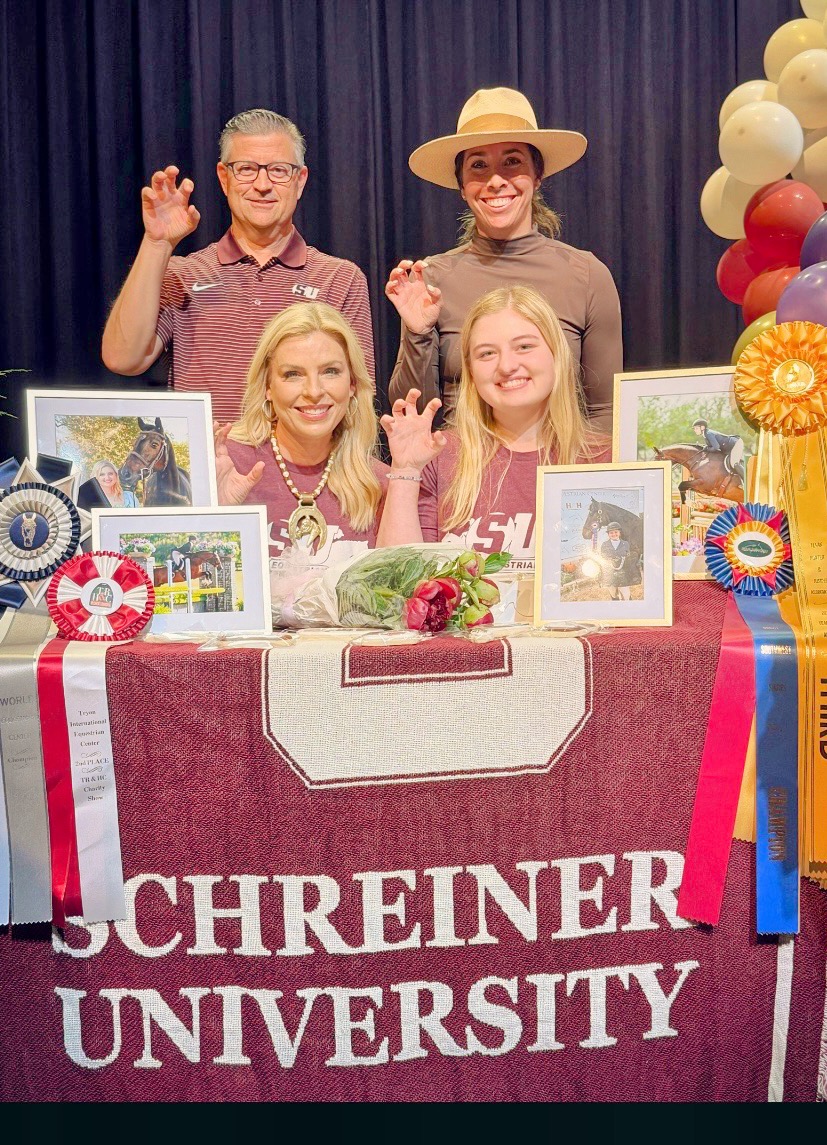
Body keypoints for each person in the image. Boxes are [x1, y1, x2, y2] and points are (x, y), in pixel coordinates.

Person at [102, 109, 374, 423]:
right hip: (209, 468)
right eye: (246, 169)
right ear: (224, 178)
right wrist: (157, 244)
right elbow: (122, 358)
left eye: (279, 170)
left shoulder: (340, 278)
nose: (262, 184)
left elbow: (358, 402)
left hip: (302, 471)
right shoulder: (183, 275)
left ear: (300, 181)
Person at [386, 87, 622, 431]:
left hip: (555, 477)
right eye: (478, 165)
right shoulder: (432, 278)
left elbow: (605, 413)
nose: (495, 181)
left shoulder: (587, 276)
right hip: (459, 475)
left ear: (537, 176)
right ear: (462, 184)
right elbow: (414, 414)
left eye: (512, 162)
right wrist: (417, 333)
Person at [377, 285, 611, 569]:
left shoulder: (606, 460)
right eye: (487, 354)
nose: (507, 366)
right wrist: (405, 471)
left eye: (524, 346)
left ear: (556, 355)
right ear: (471, 372)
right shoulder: (435, 457)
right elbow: (399, 584)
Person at [215, 302, 388, 570]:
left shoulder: (381, 483)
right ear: (267, 387)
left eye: (330, 371)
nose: (314, 391)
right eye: (293, 374)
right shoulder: (226, 465)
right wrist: (216, 512)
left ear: (352, 383)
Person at [599, 522, 633, 601]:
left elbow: (628, 558)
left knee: (626, 595)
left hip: (622, 574)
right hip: (610, 574)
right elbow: (603, 558)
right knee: (613, 594)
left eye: (616, 532)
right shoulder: (604, 545)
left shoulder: (626, 544)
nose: (614, 534)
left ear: (619, 533)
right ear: (608, 534)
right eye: (611, 532)